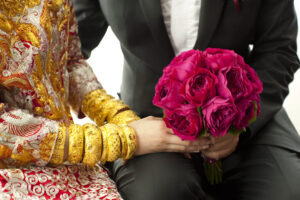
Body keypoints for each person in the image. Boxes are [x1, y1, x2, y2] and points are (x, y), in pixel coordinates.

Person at [73, 0, 300, 199]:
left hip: (246, 114)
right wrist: (122, 128)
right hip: (147, 123)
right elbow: (64, 53)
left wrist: (242, 125)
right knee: (160, 194)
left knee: (289, 192)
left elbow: (279, 48)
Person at [0, 0, 208, 199]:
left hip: (64, 162)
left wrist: (124, 118)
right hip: (14, 171)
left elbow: (70, 64)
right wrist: (124, 138)